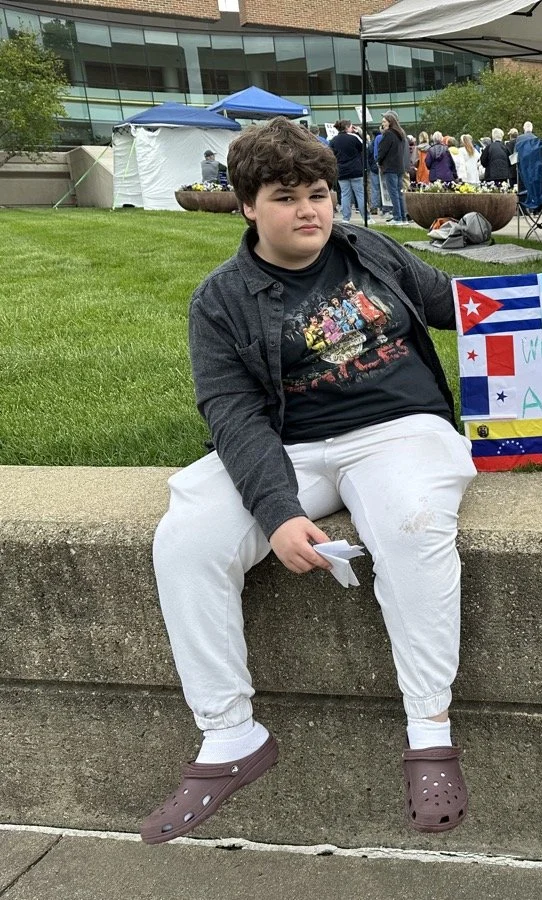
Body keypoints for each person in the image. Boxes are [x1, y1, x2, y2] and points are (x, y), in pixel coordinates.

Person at [139, 116, 476, 845]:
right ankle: (230, 736)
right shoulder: (221, 300)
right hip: (289, 447)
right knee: (187, 537)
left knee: (412, 520)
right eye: (287, 196)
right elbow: (231, 417)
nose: (310, 210)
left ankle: (429, 731)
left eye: (319, 192)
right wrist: (279, 512)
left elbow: (455, 304)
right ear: (247, 205)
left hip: (401, 430)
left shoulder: (371, 252)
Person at [329, 119, 367, 224]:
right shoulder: (354, 138)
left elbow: (331, 154)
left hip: (341, 171)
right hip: (356, 170)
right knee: (360, 194)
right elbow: (364, 147)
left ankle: (345, 218)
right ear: (347, 127)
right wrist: (358, 132)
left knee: (345, 194)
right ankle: (366, 217)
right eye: (351, 126)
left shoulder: (334, 140)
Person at [377, 112, 410, 224]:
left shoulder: (388, 134)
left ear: (390, 122)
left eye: (384, 122)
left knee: (394, 193)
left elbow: (382, 151)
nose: (383, 124)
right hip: (399, 166)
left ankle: (397, 217)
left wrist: (379, 161)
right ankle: (402, 217)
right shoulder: (400, 134)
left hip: (390, 166)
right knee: (399, 193)